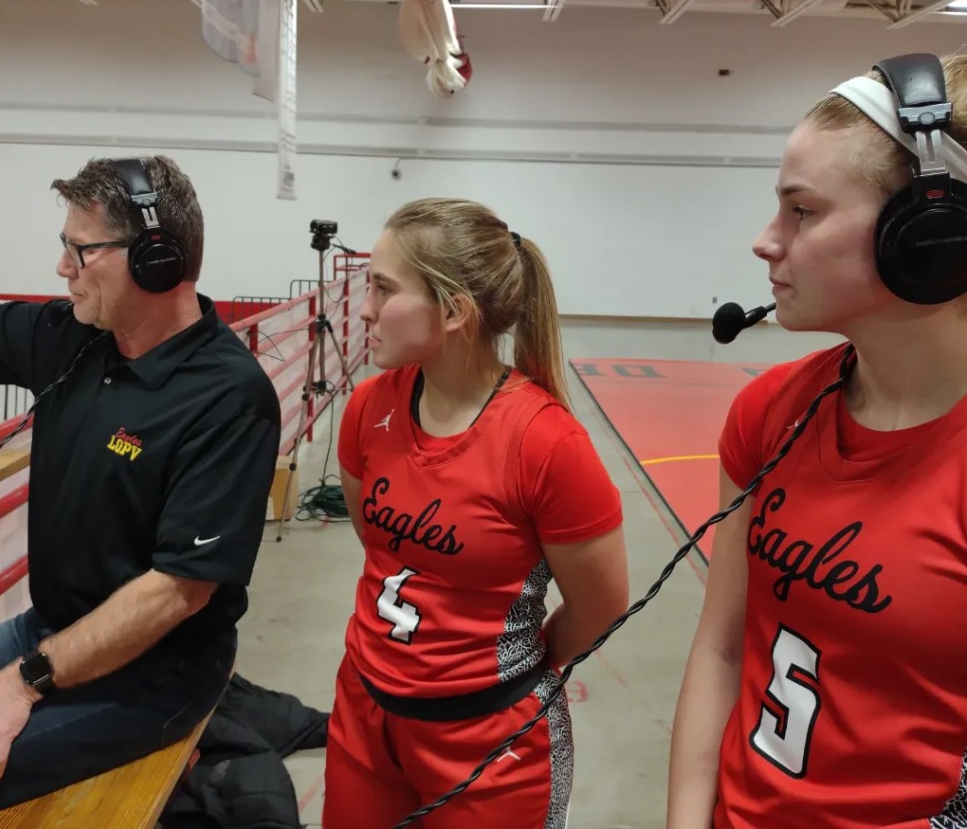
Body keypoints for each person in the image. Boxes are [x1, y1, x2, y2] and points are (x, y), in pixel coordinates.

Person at [667, 51, 967, 829]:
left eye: (801, 211)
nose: (765, 241)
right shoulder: (771, 412)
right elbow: (721, 647)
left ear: (928, 235)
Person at [0, 155, 281, 825]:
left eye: (80, 251)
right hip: (49, 633)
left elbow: (176, 592)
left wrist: (22, 682)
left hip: (155, 675)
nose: (61, 268)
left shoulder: (228, 396)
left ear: (156, 260)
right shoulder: (78, 339)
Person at [323, 198, 630, 829]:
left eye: (383, 289)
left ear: (454, 311)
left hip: (491, 741)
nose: (364, 309)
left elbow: (601, 605)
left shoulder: (547, 444)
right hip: (365, 711)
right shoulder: (368, 408)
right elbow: (377, 543)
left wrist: (501, 666)